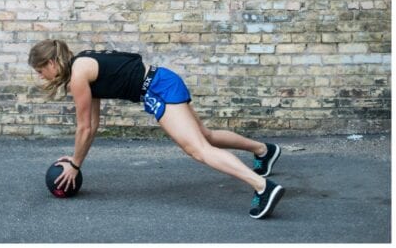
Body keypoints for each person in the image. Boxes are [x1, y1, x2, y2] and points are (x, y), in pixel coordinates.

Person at [28, 39, 284, 219]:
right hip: (162, 81)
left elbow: (83, 127)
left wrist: (74, 166)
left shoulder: (78, 75)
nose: (41, 76)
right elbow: (92, 125)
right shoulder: (82, 63)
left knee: (199, 150)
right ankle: (263, 150)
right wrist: (75, 160)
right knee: (205, 136)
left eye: (40, 71)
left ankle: (263, 187)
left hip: (159, 89)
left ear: (51, 63)